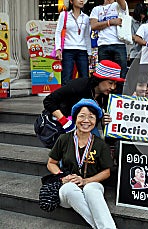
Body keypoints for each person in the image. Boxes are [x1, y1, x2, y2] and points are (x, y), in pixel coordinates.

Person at [47, 98, 116, 228]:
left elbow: (107, 172)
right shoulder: (64, 139)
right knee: (69, 188)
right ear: (75, 118)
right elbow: (51, 163)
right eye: (82, 116)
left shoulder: (100, 144)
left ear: (96, 121)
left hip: (93, 184)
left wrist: (86, 181)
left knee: (91, 189)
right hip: (69, 188)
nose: (86, 121)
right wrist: (63, 176)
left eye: (91, 117)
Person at [43, 60, 125, 136]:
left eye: (115, 84)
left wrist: (103, 121)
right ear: (99, 79)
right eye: (110, 83)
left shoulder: (107, 95)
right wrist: (65, 122)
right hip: (62, 123)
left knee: (95, 141)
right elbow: (48, 100)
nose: (113, 87)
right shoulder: (79, 85)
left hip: (85, 125)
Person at [90, 0, 128, 93]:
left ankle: (119, 103)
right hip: (103, 46)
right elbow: (94, 26)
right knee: (103, 77)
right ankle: (105, 103)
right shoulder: (96, 9)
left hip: (119, 44)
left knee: (121, 76)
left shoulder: (119, 5)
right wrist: (111, 22)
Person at [55, 0, 91, 85]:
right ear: (71, 1)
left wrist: (89, 52)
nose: (81, 0)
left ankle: (85, 98)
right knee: (66, 77)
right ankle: (66, 99)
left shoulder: (86, 18)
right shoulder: (64, 15)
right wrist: (58, 49)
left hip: (82, 50)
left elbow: (87, 36)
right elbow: (58, 32)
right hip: (68, 49)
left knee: (85, 77)